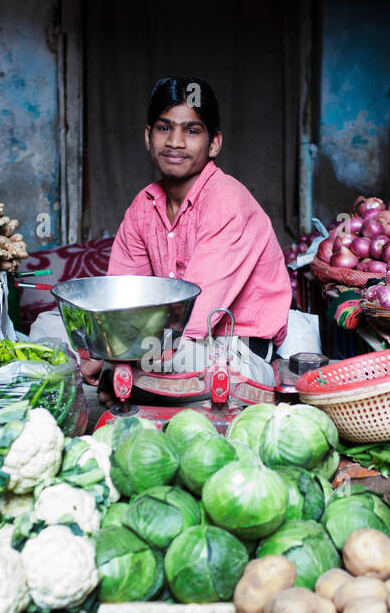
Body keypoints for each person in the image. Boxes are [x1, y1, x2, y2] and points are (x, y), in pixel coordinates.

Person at [38, 77, 292, 393]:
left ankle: (117, 380)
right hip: (162, 342)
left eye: (192, 131)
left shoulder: (227, 201)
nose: (175, 142)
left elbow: (195, 324)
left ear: (214, 143)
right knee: (48, 327)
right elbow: (120, 302)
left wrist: (106, 360)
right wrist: (103, 346)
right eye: (164, 128)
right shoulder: (143, 207)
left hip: (227, 349)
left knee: (171, 355)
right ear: (148, 136)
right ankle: (118, 379)